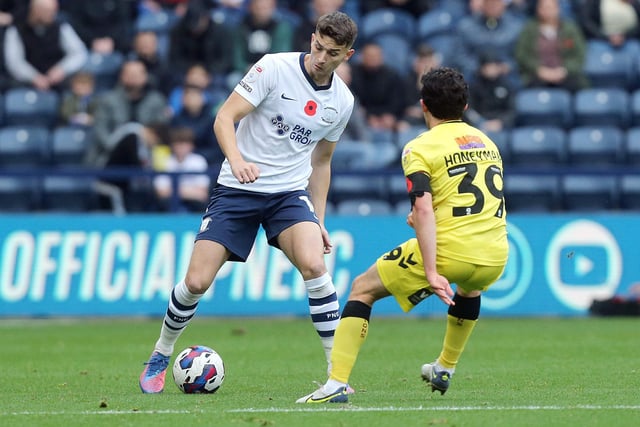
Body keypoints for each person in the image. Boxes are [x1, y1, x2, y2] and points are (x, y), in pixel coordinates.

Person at [139, 11, 358, 394]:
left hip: (288, 195)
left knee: (314, 265)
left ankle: (336, 376)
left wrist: (319, 218)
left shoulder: (342, 101)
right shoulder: (273, 67)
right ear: (311, 39)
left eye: (333, 53)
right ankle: (161, 352)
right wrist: (238, 161)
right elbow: (224, 118)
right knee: (195, 282)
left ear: (347, 55)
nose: (322, 57)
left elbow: (322, 162)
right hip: (237, 190)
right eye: (319, 47)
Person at [297, 67, 508, 403]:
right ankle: (445, 367)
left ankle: (336, 383)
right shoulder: (487, 142)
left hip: (450, 252)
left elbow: (423, 209)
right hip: (495, 254)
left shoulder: (419, 148)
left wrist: (430, 271)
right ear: (465, 107)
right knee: (470, 289)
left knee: (362, 290)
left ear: (423, 105)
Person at [3, 0, 87, 91]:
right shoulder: (16, 30)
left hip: (57, 80)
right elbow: (14, 62)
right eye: (48, 11)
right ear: (36, 11)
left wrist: (61, 69)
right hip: (26, 82)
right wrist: (34, 77)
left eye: (54, 10)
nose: (53, 14)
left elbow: (79, 52)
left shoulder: (60, 26)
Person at [515, 0, 588, 92]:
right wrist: (539, 70)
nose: (547, 11)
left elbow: (579, 55)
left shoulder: (570, 29)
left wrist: (564, 70)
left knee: (576, 86)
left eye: (550, 8)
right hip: (537, 75)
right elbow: (522, 55)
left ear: (558, 9)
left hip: (565, 74)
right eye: (544, 7)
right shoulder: (529, 29)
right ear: (538, 10)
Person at [153, 127, 211, 213]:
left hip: (194, 204)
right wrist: (190, 191)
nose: (181, 147)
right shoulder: (165, 161)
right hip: (169, 204)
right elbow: (161, 193)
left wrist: (175, 191)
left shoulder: (199, 161)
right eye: (178, 143)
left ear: (191, 145)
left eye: (185, 143)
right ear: (172, 145)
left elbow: (202, 193)